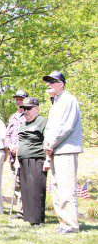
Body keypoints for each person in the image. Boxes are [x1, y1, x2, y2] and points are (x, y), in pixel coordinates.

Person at [42, 71, 83, 234]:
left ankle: (71, 224)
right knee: (57, 188)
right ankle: (63, 222)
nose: (48, 84)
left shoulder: (68, 100)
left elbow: (65, 127)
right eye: (47, 81)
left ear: (61, 84)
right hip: (56, 150)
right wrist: (47, 144)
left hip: (66, 150)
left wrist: (51, 144)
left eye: (52, 81)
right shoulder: (56, 102)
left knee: (66, 188)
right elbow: (51, 128)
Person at [17, 97, 48, 227]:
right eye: (24, 109)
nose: (26, 111)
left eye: (29, 108)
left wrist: (48, 160)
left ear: (36, 109)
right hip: (23, 160)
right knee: (26, 189)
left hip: (36, 159)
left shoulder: (42, 121)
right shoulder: (23, 124)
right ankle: (29, 218)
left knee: (36, 189)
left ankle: (37, 220)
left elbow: (47, 141)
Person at [6, 90, 28, 218]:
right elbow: (7, 134)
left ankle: (25, 210)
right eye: (17, 99)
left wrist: (19, 147)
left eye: (21, 99)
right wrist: (10, 146)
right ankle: (20, 211)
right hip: (13, 155)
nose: (18, 101)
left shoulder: (29, 115)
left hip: (24, 154)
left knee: (25, 181)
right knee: (17, 183)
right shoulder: (12, 117)